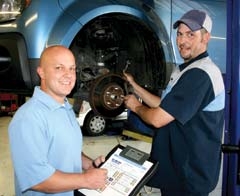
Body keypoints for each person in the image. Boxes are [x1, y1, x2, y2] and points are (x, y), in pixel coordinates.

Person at [123, 9, 225, 196]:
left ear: (206, 37)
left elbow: (158, 118)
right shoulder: (184, 69)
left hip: (190, 174)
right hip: (176, 168)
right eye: (179, 34)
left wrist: (136, 106)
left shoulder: (201, 74)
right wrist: (134, 86)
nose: (182, 41)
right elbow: (164, 105)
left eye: (190, 35)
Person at [8, 45, 108, 196]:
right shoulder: (28, 118)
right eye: (59, 68)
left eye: (72, 68)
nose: (68, 75)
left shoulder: (65, 107)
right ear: (41, 72)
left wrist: (89, 165)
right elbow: (37, 180)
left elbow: (65, 148)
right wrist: (85, 180)